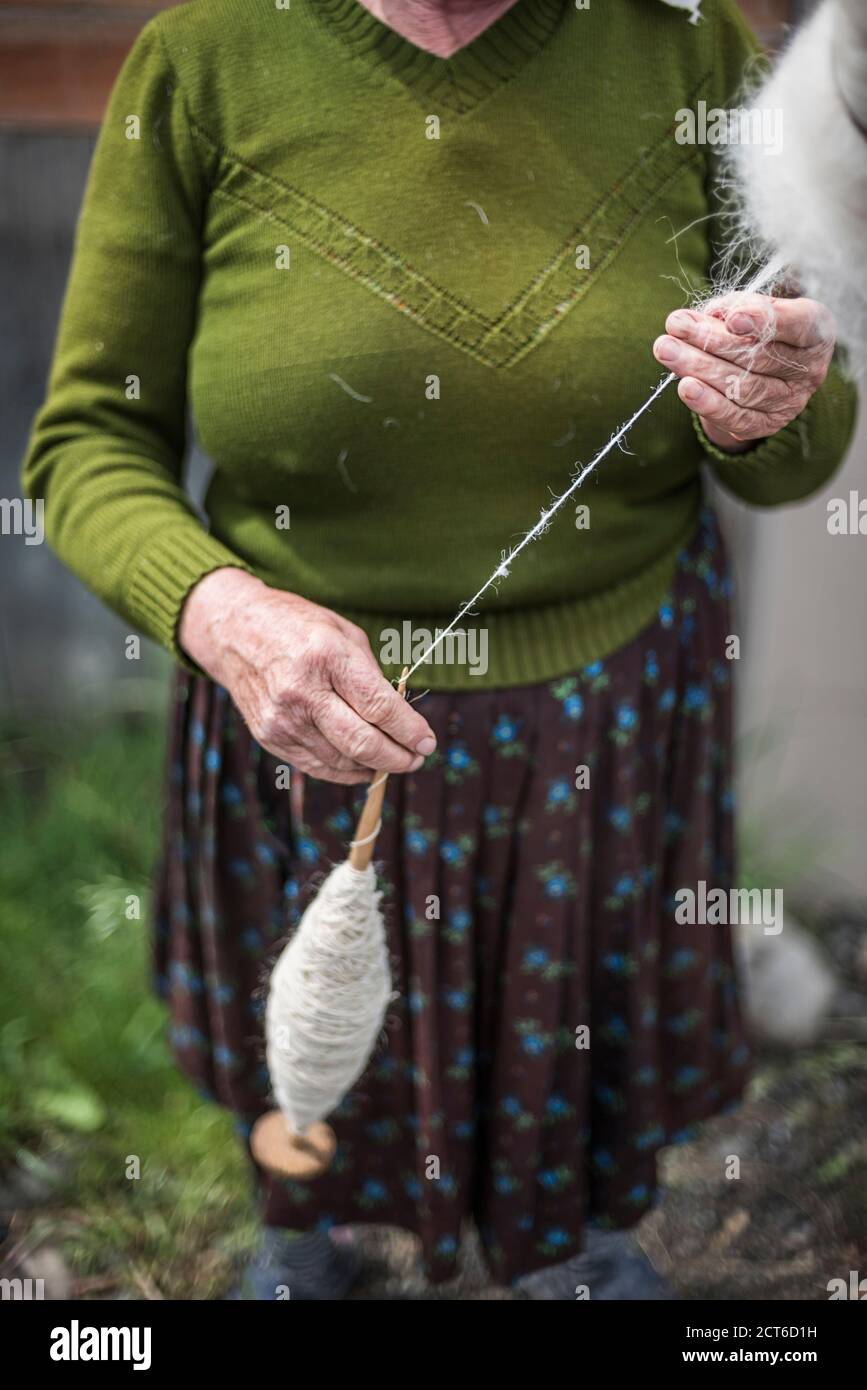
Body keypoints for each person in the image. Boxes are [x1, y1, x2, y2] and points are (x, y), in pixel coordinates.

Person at [22, 0, 856, 1299]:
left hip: (607, 712)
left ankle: (576, 1241)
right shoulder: (202, 63)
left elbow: (796, 446)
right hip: (299, 715)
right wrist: (221, 613)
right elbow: (82, 446)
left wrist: (770, 406)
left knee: (573, 1062)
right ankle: (315, 1232)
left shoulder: (687, 51)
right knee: (316, 1053)